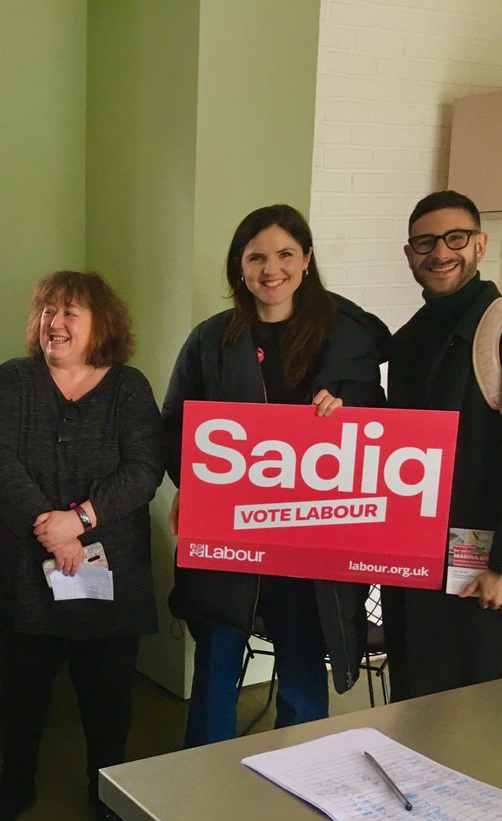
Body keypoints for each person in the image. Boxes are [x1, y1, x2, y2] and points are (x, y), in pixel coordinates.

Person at [162, 204, 388, 748]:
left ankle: (298, 777)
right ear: (239, 268)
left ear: (307, 260)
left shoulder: (347, 339)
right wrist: (193, 487)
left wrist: (351, 407)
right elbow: (175, 425)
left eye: (285, 253)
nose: (271, 269)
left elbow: (379, 424)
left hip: (309, 536)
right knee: (216, 665)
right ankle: (202, 779)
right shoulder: (210, 340)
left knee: (303, 670)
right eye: (256, 256)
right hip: (229, 535)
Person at [0, 270, 164, 821]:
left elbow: (145, 468)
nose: (55, 323)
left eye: (70, 312)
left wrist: (79, 521)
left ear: (99, 323)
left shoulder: (129, 387)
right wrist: (49, 528)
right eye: (48, 311)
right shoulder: (15, 379)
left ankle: (105, 791)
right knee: (23, 688)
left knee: (107, 694)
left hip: (110, 563)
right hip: (28, 564)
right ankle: (17, 784)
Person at [382, 191, 502, 700]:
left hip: (492, 580)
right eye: (425, 242)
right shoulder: (408, 341)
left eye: (456, 238)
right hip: (419, 569)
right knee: (417, 703)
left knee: (486, 722)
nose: (441, 252)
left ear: (480, 244)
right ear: (410, 253)